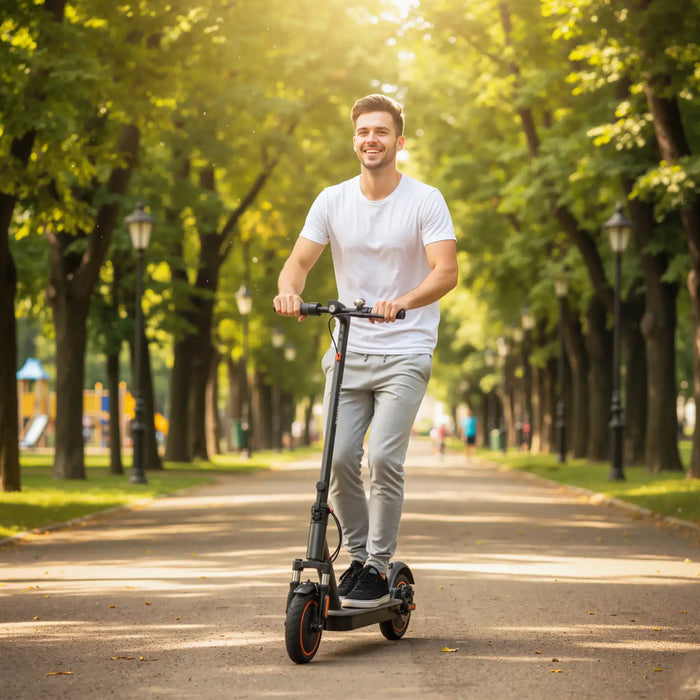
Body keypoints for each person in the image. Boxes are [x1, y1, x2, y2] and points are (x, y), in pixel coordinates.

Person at [273, 94, 458, 608]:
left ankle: (378, 564)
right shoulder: (332, 200)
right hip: (349, 347)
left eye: (381, 131)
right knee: (336, 461)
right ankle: (358, 559)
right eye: (362, 132)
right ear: (354, 140)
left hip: (406, 348)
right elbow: (298, 262)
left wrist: (401, 302)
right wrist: (290, 290)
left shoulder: (425, 199)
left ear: (399, 141)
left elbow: (446, 271)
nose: (370, 139)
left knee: (382, 456)